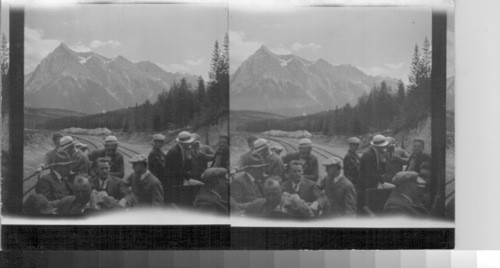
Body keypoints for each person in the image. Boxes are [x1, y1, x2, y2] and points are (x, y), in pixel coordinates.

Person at [244, 178, 314, 218]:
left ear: (282, 190)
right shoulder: (257, 204)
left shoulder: (295, 207)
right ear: (264, 193)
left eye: (275, 194)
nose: (271, 198)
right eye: (268, 194)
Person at [358, 134, 392, 212]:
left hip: (370, 183)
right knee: (364, 206)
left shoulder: (376, 153)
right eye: (383, 146)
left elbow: (377, 169)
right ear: (378, 146)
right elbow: (371, 173)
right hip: (365, 185)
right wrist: (383, 180)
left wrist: (383, 160)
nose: (384, 148)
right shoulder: (369, 155)